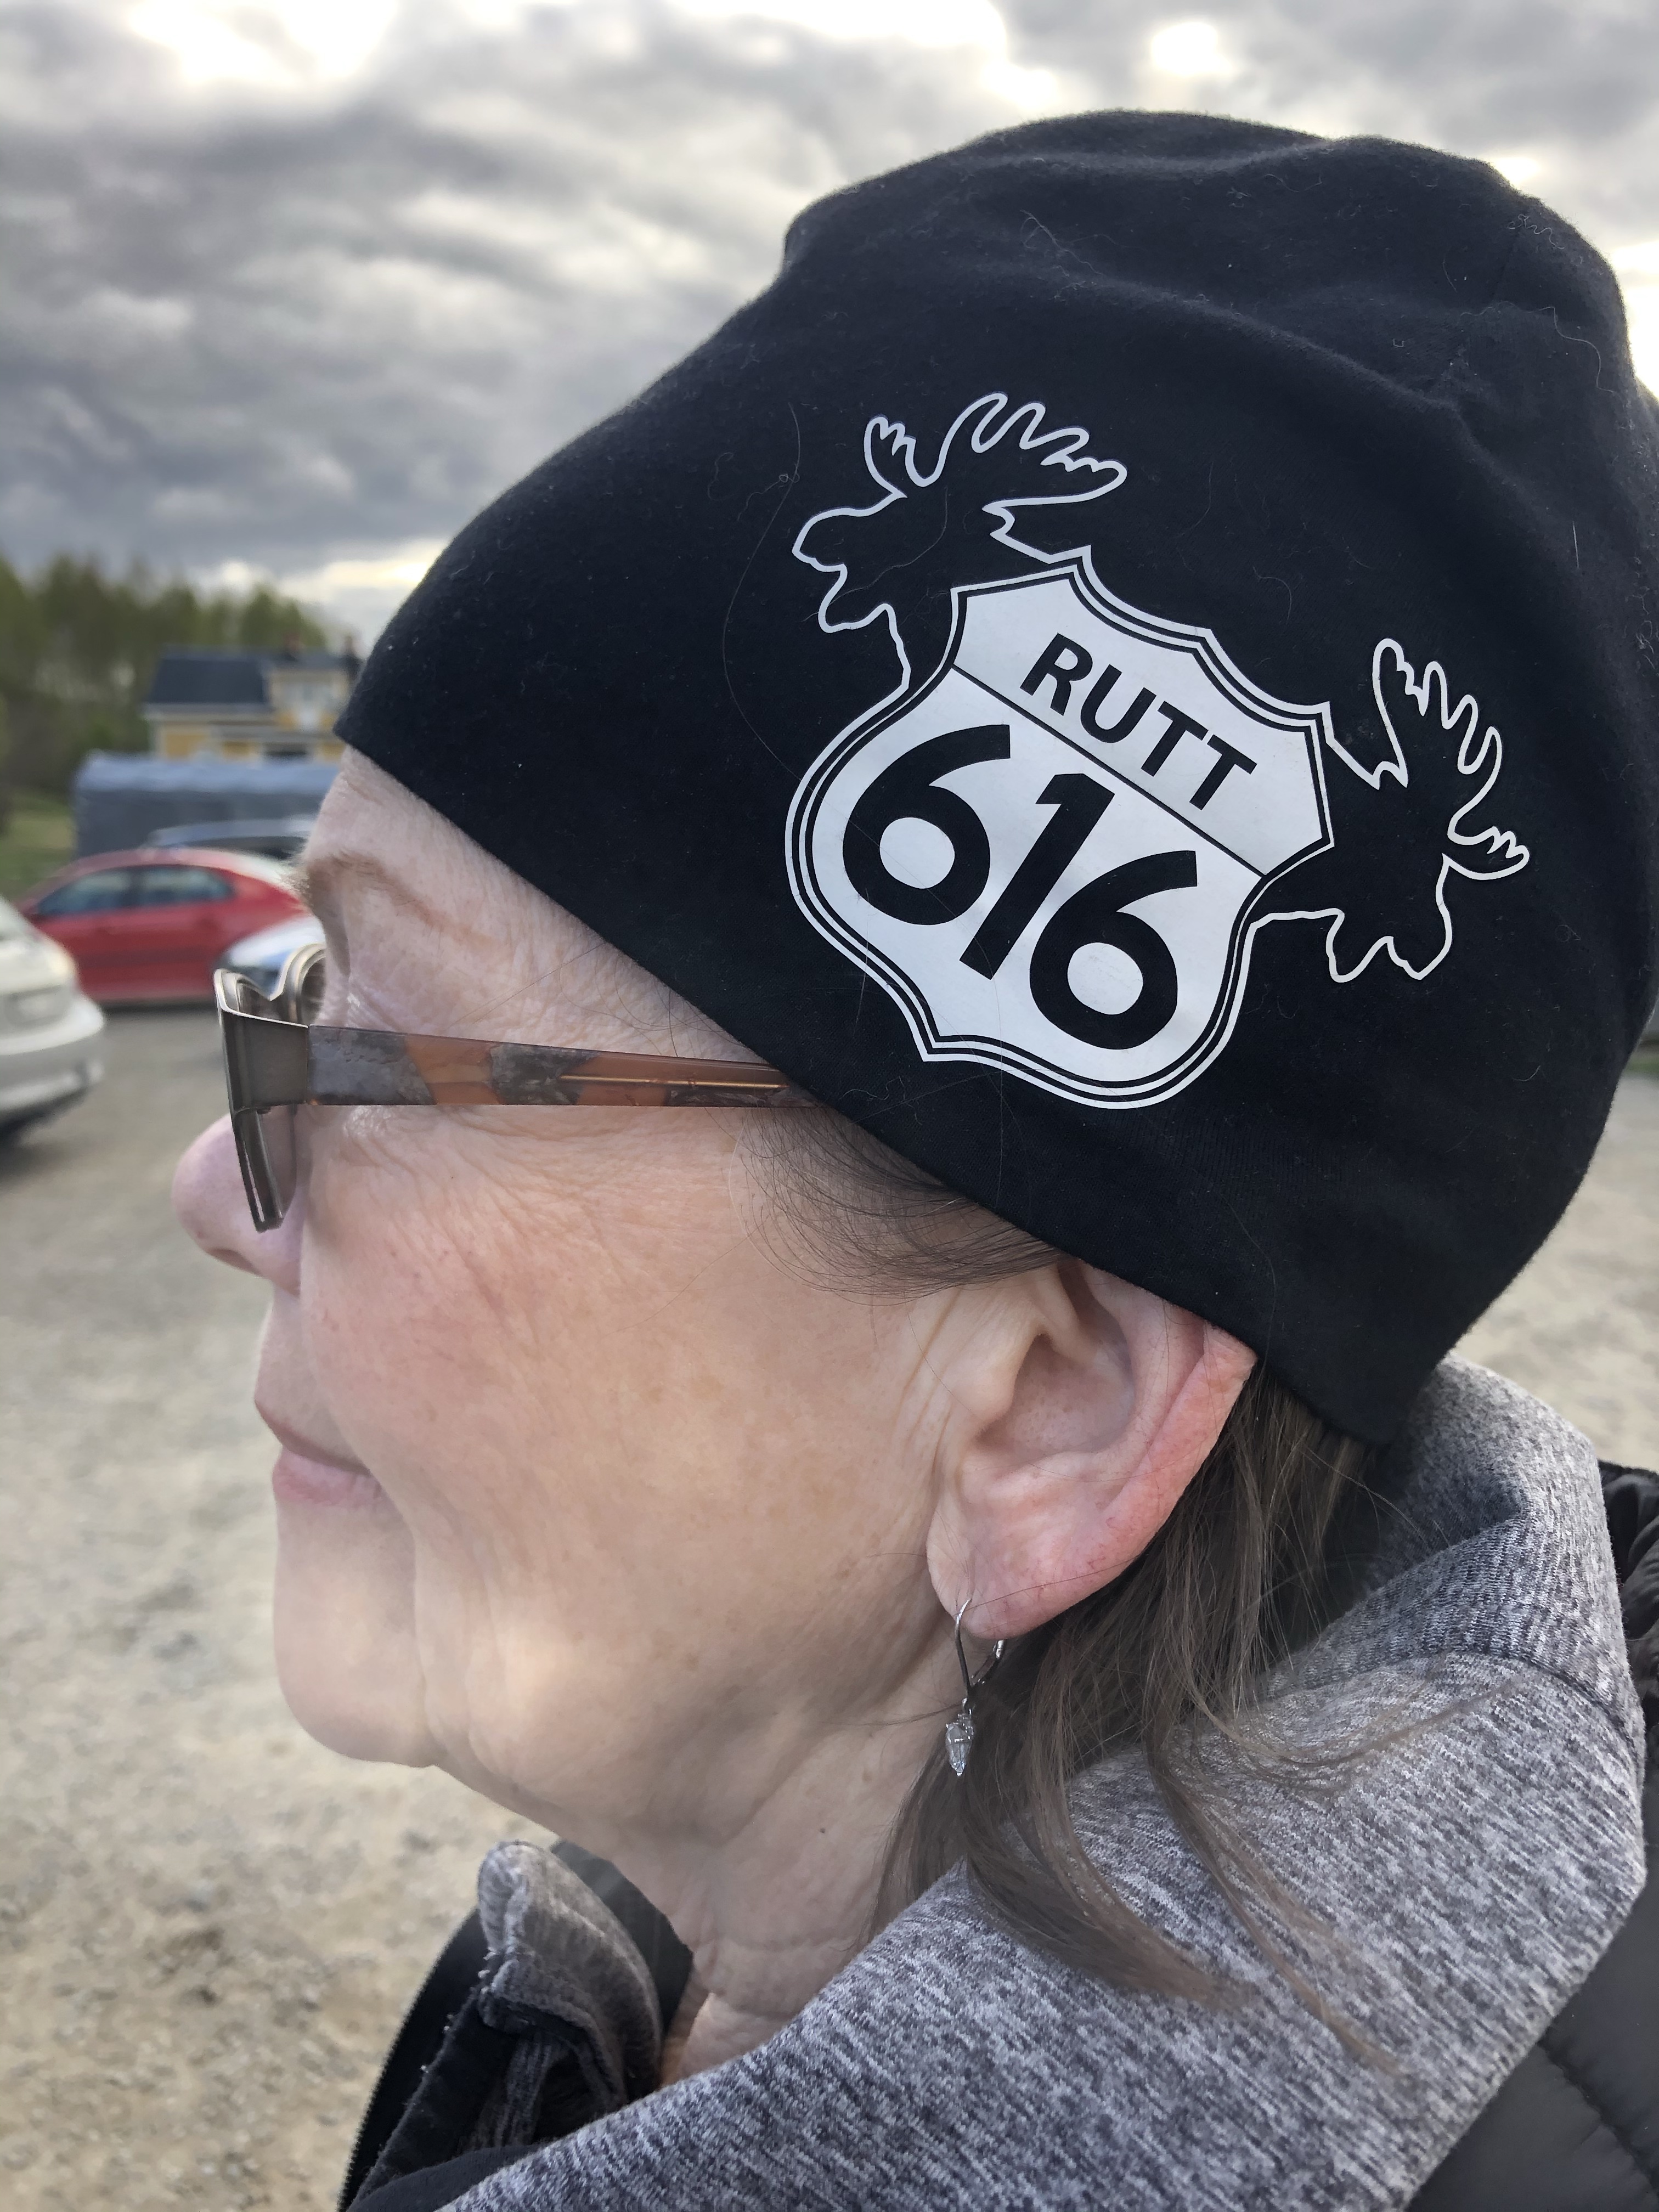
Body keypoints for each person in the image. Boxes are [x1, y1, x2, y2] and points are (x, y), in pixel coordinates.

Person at [173, 111, 1659, 2211]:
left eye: (383, 1052)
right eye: (295, 989)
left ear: (1047, 1408)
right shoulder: (596, 1972)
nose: (214, 1190)